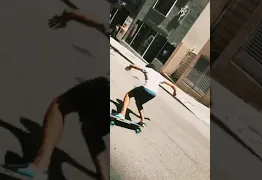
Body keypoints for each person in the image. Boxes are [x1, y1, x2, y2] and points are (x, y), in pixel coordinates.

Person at [7, 7, 112, 180]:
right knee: (91, 129)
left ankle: (39, 166)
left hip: (106, 89)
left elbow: (90, 18)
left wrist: (66, 16)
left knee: (60, 106)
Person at [112, 63, 177, 125]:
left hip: (146, 89)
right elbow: (173, 86)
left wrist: (130, 66)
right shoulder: (159, 75)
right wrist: (174, 92)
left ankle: (122, 114)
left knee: (128, 95)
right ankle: (142, 121)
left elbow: (136, 66)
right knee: (139, 103)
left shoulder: (148, 69)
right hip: (153, 94)